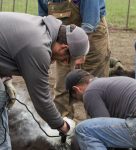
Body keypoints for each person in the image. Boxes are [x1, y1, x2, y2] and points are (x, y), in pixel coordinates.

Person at [0, 12, 89, 149]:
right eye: (66, 59)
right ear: (64, 48)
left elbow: (6, 48)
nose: (64, 62)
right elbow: (42, 100)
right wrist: (63, 126)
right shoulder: (38, 48)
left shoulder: (45, 29)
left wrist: (5, 78)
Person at [38, 0, 111, 118]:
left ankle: (97, 126)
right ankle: (63, 126)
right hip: (62, 37)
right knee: (62, 85)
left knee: (95, 84)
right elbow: (43, 20)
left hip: (91, 34)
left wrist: (80, 54)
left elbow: (89, 22)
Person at [65, 69, 136, 150]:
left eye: (77, 99)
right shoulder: (107, 84)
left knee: (83, 130)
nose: (82, 101)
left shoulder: (90, 91)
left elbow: (101, 129)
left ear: (76, 89)